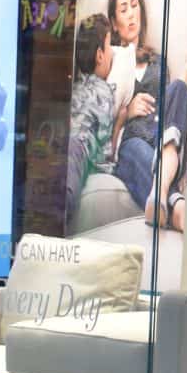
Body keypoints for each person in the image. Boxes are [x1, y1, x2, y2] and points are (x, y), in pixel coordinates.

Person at [108, 0, 187, 232]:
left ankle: (161, 194)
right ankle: (178, 207)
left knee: (180, 88)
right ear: (114, 23)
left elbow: (172, 108)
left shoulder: (158, 62)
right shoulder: (112, 63)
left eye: (135, 5)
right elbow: (105, 123)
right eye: (124, 10)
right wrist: (127, 111)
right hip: (133, 144)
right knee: (144, 154)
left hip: (163, 138)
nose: (132, 14)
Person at [66, 13, 124, 226]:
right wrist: (120, 121)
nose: (112, 54)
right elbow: (105, 156)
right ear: (100, 55)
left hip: (60, 142)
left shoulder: (76, 86)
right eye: (110, 48)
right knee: (67, 195)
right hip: (78, 149)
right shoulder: (105, 92)